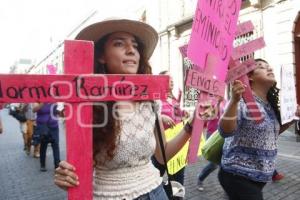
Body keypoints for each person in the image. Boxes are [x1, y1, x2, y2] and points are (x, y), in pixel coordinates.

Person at [54, 18, 195, 199]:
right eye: (119, 43)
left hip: (157, 192)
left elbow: (163, 156)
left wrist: (192, 124)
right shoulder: (86, 107)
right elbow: (79, 169)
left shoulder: (149, 102)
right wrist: (67, 176)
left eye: (135, 46)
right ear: (101, 56)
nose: (131, 51)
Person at [218, 58, 300, 200]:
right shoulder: (242, 100)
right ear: (250, 77)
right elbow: (225, 131)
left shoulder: (268, 104)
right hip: (239, 176)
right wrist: (234, 101)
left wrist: (291, 119)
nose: (269, 69)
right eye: (262, 67)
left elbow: (270, 134)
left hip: (258, 178)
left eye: (269, 66)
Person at [151, 70, 189, 187]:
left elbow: (178, 115)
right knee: (153, 182)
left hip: (176, 147)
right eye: (168, 79)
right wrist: (161, 117)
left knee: (177, 185)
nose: (171, 81)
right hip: (160, 148)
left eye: (172, 79)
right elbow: (147, 116)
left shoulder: (173, 99)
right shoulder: (154, 99)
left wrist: (184, 113)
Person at [197, 97, 225, 191]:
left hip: (222, 133)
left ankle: (227, 186)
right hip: (212, 133)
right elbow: (209, 116)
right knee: (213, 164)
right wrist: (217, 104)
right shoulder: (210, 101)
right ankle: (200, 178)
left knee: (225, 162)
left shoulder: (224, 101)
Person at [33, 103, 60, 171]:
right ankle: (42, 165)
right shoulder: (38, 100)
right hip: (43, 127)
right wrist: (43, 102)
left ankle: (57, 166)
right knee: (43, 146)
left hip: (54, 127)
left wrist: (60, 109)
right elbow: (34, 109)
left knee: (55, 145)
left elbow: (58, 110)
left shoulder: (54, 98)